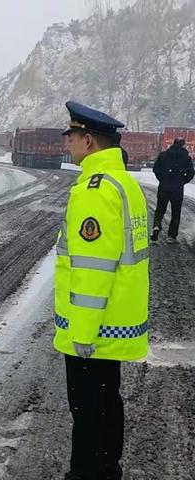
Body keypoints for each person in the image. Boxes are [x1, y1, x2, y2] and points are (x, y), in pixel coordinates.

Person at [54, 101, 149, 480]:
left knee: (88, 409)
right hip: (117, 322)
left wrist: (82, 332)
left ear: (89, 140)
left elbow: (94, 269)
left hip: (93, 329)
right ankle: (108, 470)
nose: (68, 144)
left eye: (72, 136)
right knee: (108, 403)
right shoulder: (123, 182)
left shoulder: (94, 191)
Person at [150, 138, 194, 244]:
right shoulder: (186, 158)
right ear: (183, 145)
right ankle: (172, 236)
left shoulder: (163, 155)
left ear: (173, 144)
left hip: (164, 187)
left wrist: (162, 179)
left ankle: (156, 226)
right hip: (177, 189)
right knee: (175, 212)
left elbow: (155, 169)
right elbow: (191, 173)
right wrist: (182, 181)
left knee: (160, 210)